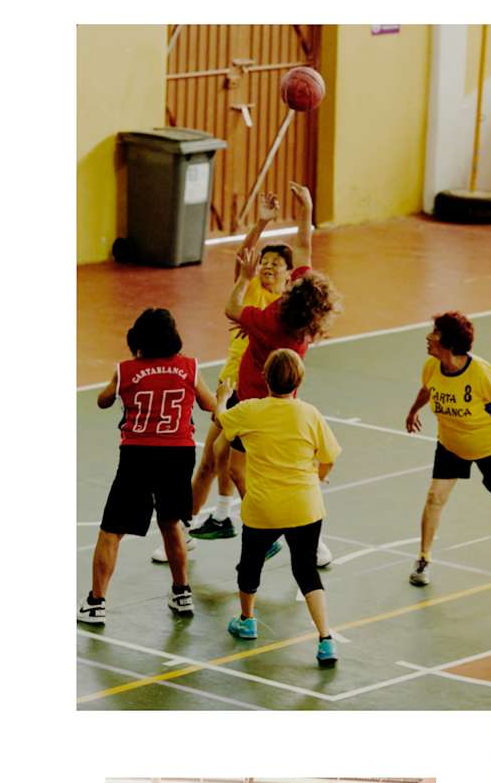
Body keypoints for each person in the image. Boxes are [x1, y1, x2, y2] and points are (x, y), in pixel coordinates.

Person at [165, 187, 316, 558]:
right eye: (264, 261)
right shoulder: (252, 293)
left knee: (237, 465)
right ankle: (193, 526)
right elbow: (243, 262)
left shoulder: (280, 310)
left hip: (260, 396)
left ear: (289, 274)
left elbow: (304, 248)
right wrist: (262, 221)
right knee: (212, 459)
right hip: (232, 384)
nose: (266, 266)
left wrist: (304, 216)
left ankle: (284, 533)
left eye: (276, 263)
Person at [82, 309, 216, 626]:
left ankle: (95, 602)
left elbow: (102, 400)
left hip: (138, 455)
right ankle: (182, 593)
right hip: (179, 454)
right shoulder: (189, 368)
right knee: (171, 524)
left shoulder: (126, 370)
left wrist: (119, 384)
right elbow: (209, 405)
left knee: (111, 530)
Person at [211, 349, 342, 667]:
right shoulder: (310, 414)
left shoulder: (249, 410)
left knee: (249, 566)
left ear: (264, 378)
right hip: (305, 506)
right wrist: (317, 477)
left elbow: (220, 419)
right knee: (306, 570)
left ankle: (247, 620)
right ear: (299, 381)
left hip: (263, 508)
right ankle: (325, 639)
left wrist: (223, 396)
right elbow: (329, 457)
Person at [221, 240, 342, 569]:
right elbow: (304, 247)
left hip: (256, 405)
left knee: (247, 472)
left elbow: (231, 309)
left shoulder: (271, 320)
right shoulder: (304, 314)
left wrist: (245, 278)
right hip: (283, 408)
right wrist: (305, 210)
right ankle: (304, 541)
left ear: (290, 290)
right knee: (265, 473)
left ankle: (271, 530)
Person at [403, 312, 491, 587]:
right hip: (451, 443)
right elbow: (428, 389)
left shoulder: (480, 372)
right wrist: (414, 410)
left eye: (435, 333)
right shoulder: (432, 366)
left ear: (449, 341)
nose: (429, 337)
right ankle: (423, 559)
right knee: (434, 498)